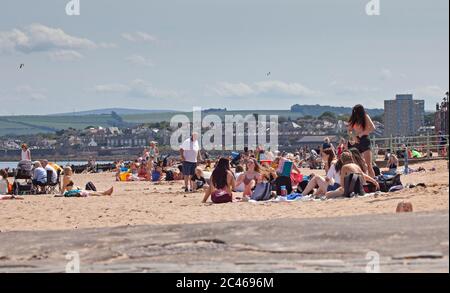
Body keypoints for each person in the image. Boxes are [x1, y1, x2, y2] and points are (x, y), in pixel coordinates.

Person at [347, 104, 376, 178]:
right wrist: (353, 136)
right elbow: (349, 131)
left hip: (365, 139)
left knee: (369, 165)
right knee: (358, 165)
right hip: (357, 141)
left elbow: (373, 127)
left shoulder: (365, 116)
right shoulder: (353, 119)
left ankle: (374, 182)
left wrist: (363, 133)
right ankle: (363, 182)